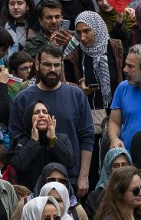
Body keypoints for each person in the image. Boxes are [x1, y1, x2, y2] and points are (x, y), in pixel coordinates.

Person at [9, 45, 95, 196]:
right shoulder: (23, 98)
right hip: (32, 182)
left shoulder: (76, 95)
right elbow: (15, 140)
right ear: (37, 65)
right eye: (47, 64)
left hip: (69, 179)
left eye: (57, 65)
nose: (52, 69)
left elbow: (87, 138)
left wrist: (83, 176)